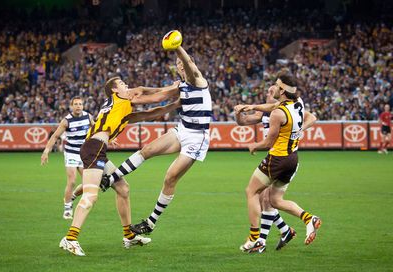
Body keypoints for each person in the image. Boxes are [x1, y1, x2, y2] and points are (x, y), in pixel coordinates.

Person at [100, 42, 279, 236]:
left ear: (190, 63)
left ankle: (151, 222)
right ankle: (111, 179)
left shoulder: (198, 79)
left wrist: (177, 48)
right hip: (183, 129)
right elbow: (154, 94)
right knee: (146, 151)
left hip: (197, 138)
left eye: (183, 62)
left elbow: (187, 65)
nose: (180, 65)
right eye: (177, 64)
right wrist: (135, 95)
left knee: (170, 178)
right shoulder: (182, 86)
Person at [59, 77, 181, 256]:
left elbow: (150, 114)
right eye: (123, 84)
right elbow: (153, 98)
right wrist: (175, 88)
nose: (127, 86)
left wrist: (175, 104)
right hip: (93, 148)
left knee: (123, 188)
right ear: (115, 91)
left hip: (96, 148)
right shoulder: (122, 99)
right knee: (91, 197)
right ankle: (70, 238)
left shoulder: (120, 108)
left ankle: (128, 236)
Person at [236, 74, 321, 253]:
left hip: (277, 159)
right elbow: (273, 106)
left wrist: (254, 145)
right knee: (274, 200)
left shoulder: (277, 114)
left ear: (282, 91)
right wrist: (253, 106)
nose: (274, 87)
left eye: (276, 85)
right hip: (292, 159)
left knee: (251, 191)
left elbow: (268, 143)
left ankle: (254, 237)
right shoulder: (298, 103)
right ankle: (308, 218)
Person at [41, 97, 94, 219]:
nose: (78, 106)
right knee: (72, 181)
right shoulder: (67, 121)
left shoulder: (88, 117)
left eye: (80, 104)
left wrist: (111, 139)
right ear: (71, 106)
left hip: (84, 153)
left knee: (88, 183)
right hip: (71, 153)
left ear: (83, 105)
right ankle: (67, 207)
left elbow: (97, 129)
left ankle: (73, 196)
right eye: (76, 104)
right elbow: (54, 137)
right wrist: (46, 151)